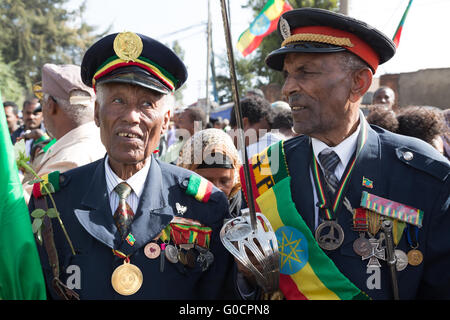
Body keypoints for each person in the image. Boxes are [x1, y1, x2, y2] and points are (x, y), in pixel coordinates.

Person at [243, 8, 450, 300]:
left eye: (305, 72)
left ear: (359, 83)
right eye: (288, 74)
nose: (288, 88)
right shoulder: (266, 171)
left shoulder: (427, 177)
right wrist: (250, 280)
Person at [29, 32, 238, 300]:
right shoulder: (51, 202)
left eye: (146, 104)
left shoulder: (206, 204)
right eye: (118, 101)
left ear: (165, 121)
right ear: (96, 112)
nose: (131, 116)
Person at [21, 63, 106, 203]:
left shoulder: (70, 158)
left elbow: (30, 209)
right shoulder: (96, 141)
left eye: (43, 102)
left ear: (50, 106)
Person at [177, 128, 243, 218]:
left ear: (234, 179)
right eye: (206, 181)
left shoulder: (244, 212)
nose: (216, 189)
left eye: (224, 181)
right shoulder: (173, 210)